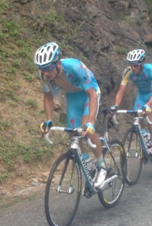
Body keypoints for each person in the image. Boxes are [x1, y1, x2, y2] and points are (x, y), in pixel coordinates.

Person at [35, 42, 107, 189]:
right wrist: (49, 121)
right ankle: (88, 164)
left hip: (89, 94)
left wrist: (90, 123)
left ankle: (102, 166)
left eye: (48, 68)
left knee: (85, 131)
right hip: (73, 97)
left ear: (57, 63)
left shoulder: (74, 67)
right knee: (74, 132)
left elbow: (92, 94)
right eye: (42, 69)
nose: (46, 72)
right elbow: (48, 96)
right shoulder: (44, 75)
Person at [112, 49, 152, 154]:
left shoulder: (150, 70)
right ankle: (144, 135)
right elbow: (121, 91)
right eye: (131, 65)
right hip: (142, 95)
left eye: (135, 65)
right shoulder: (128, 71)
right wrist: (116, 106)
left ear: (142, 64)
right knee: (137, 116)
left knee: (148, 112)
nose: (133, 68)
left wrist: (148, 104)